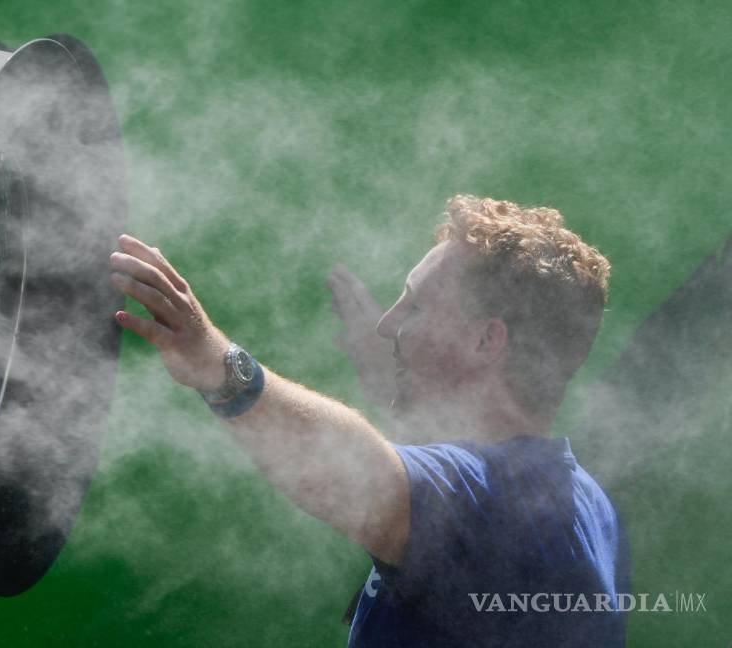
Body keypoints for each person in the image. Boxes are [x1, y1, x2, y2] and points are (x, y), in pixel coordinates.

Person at [108, 195, 629, 647]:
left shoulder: (499, 507)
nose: (387, 323)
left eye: (416, 307)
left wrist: (216, 364)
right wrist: (399, 374)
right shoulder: (583, 504)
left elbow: (355, 476)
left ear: (486, 342)